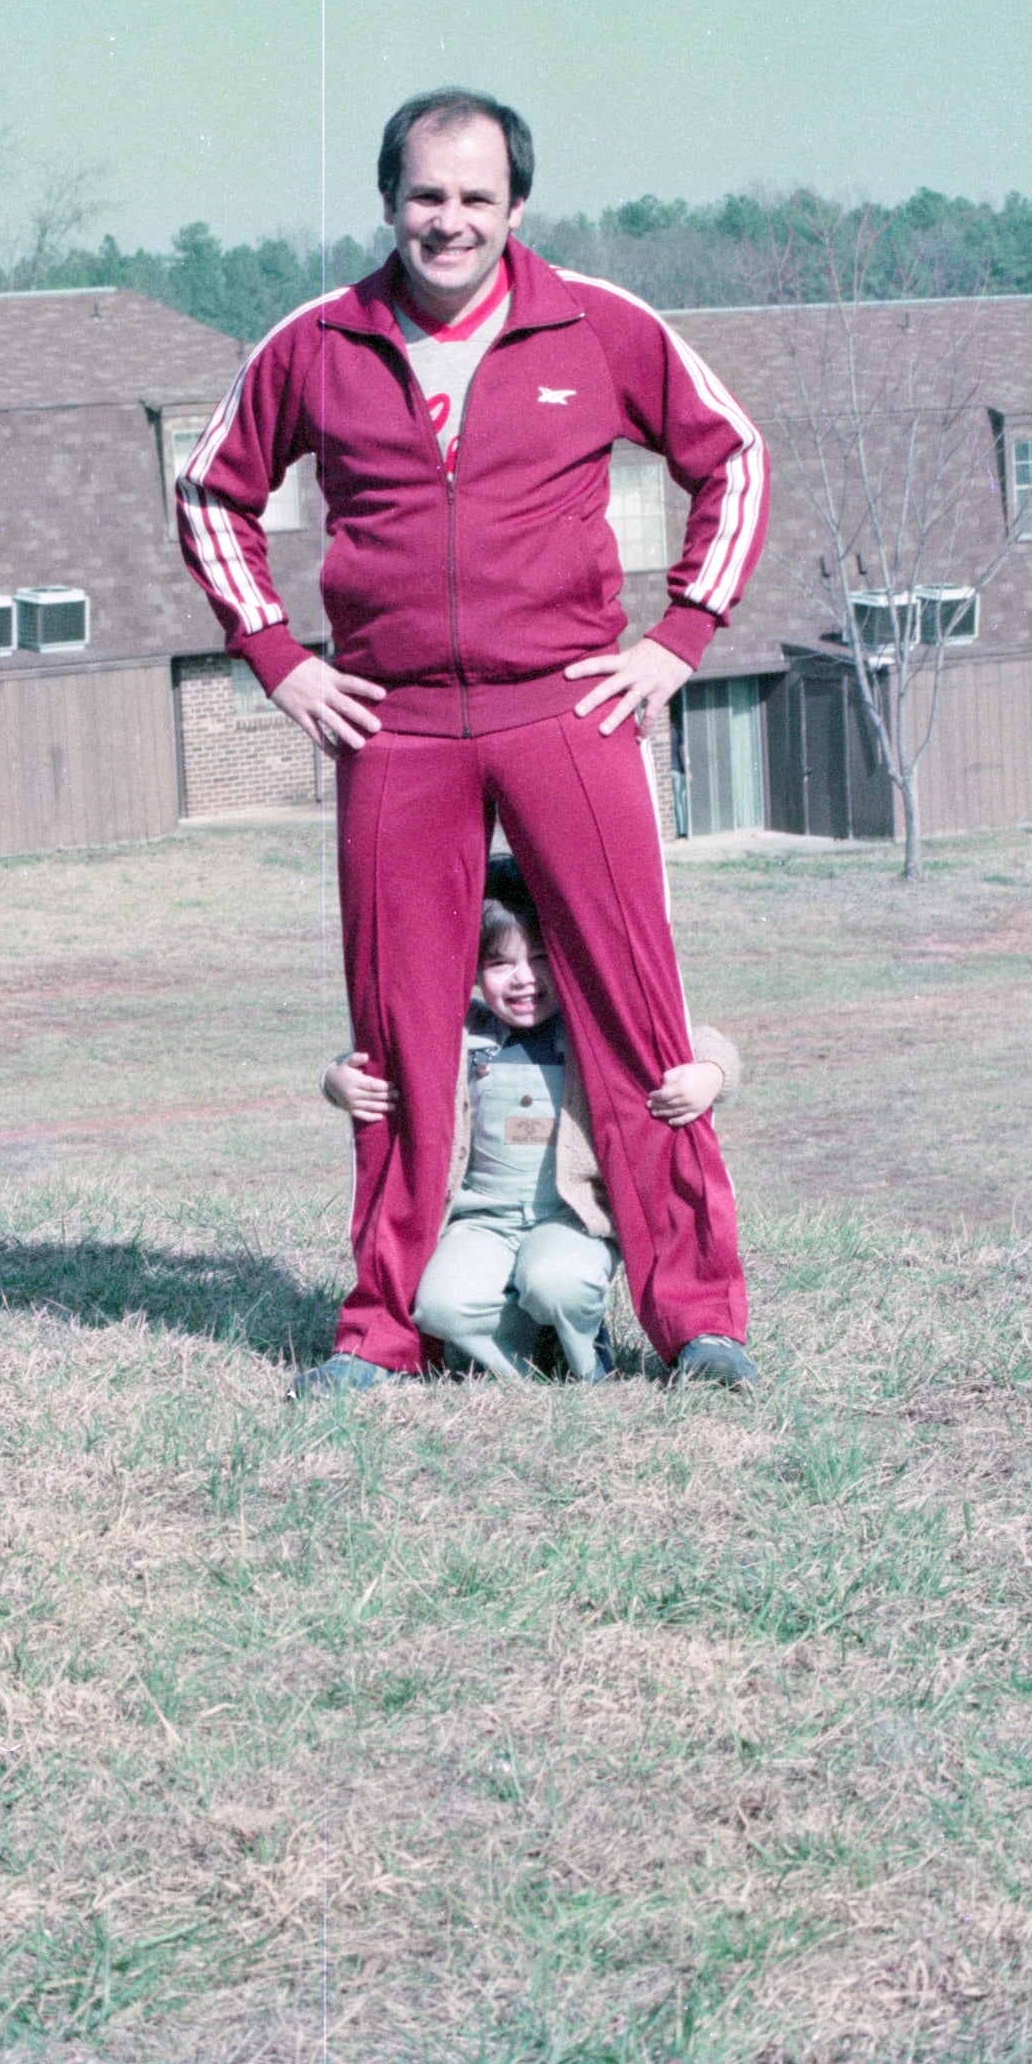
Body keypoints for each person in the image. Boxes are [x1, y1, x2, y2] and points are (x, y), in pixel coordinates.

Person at [176, 87, 769, 1394]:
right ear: (389, 201)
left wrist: (679, 635)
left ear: (516, 206)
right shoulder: (316, 343)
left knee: (631, 1008)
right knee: (397, 1033)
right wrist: (278, 657)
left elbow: (733, 457)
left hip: (565, 705)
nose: (448, 221)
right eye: (426, 196)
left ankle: (698, 1321)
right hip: (394, 725)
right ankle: (380, 1333)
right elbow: (210, 492)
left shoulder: (596, 324)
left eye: (474, 198)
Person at [324, 860, 740, 1384]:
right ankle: (530, 1356)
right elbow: (378, 1055)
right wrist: (335, 1079)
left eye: (541, 958)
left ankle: (585, 1352)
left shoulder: (591, 1025)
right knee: (439, 1307)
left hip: (569, 1216)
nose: (525, 979)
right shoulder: (462, 1032)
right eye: (501, 963)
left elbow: (698, 1040)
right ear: (473, 970)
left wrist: (711, 1073)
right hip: (482, 1217)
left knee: (557, 1283)